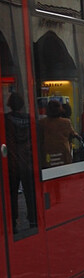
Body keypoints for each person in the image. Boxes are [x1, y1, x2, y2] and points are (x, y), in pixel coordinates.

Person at [4, 92, 36, 233]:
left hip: (11, 162)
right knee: (30, 192)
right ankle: (33, 219)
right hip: (28, 161)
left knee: (11, 193)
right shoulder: (30, 120)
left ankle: (13, 222)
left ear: (10, 104)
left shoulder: (6, 120)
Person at [38, 99, 78, 167]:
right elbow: (73, 133)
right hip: (63, 155)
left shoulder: (41, 122)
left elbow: (40, 138)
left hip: (48, 155)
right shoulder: (66, 122)